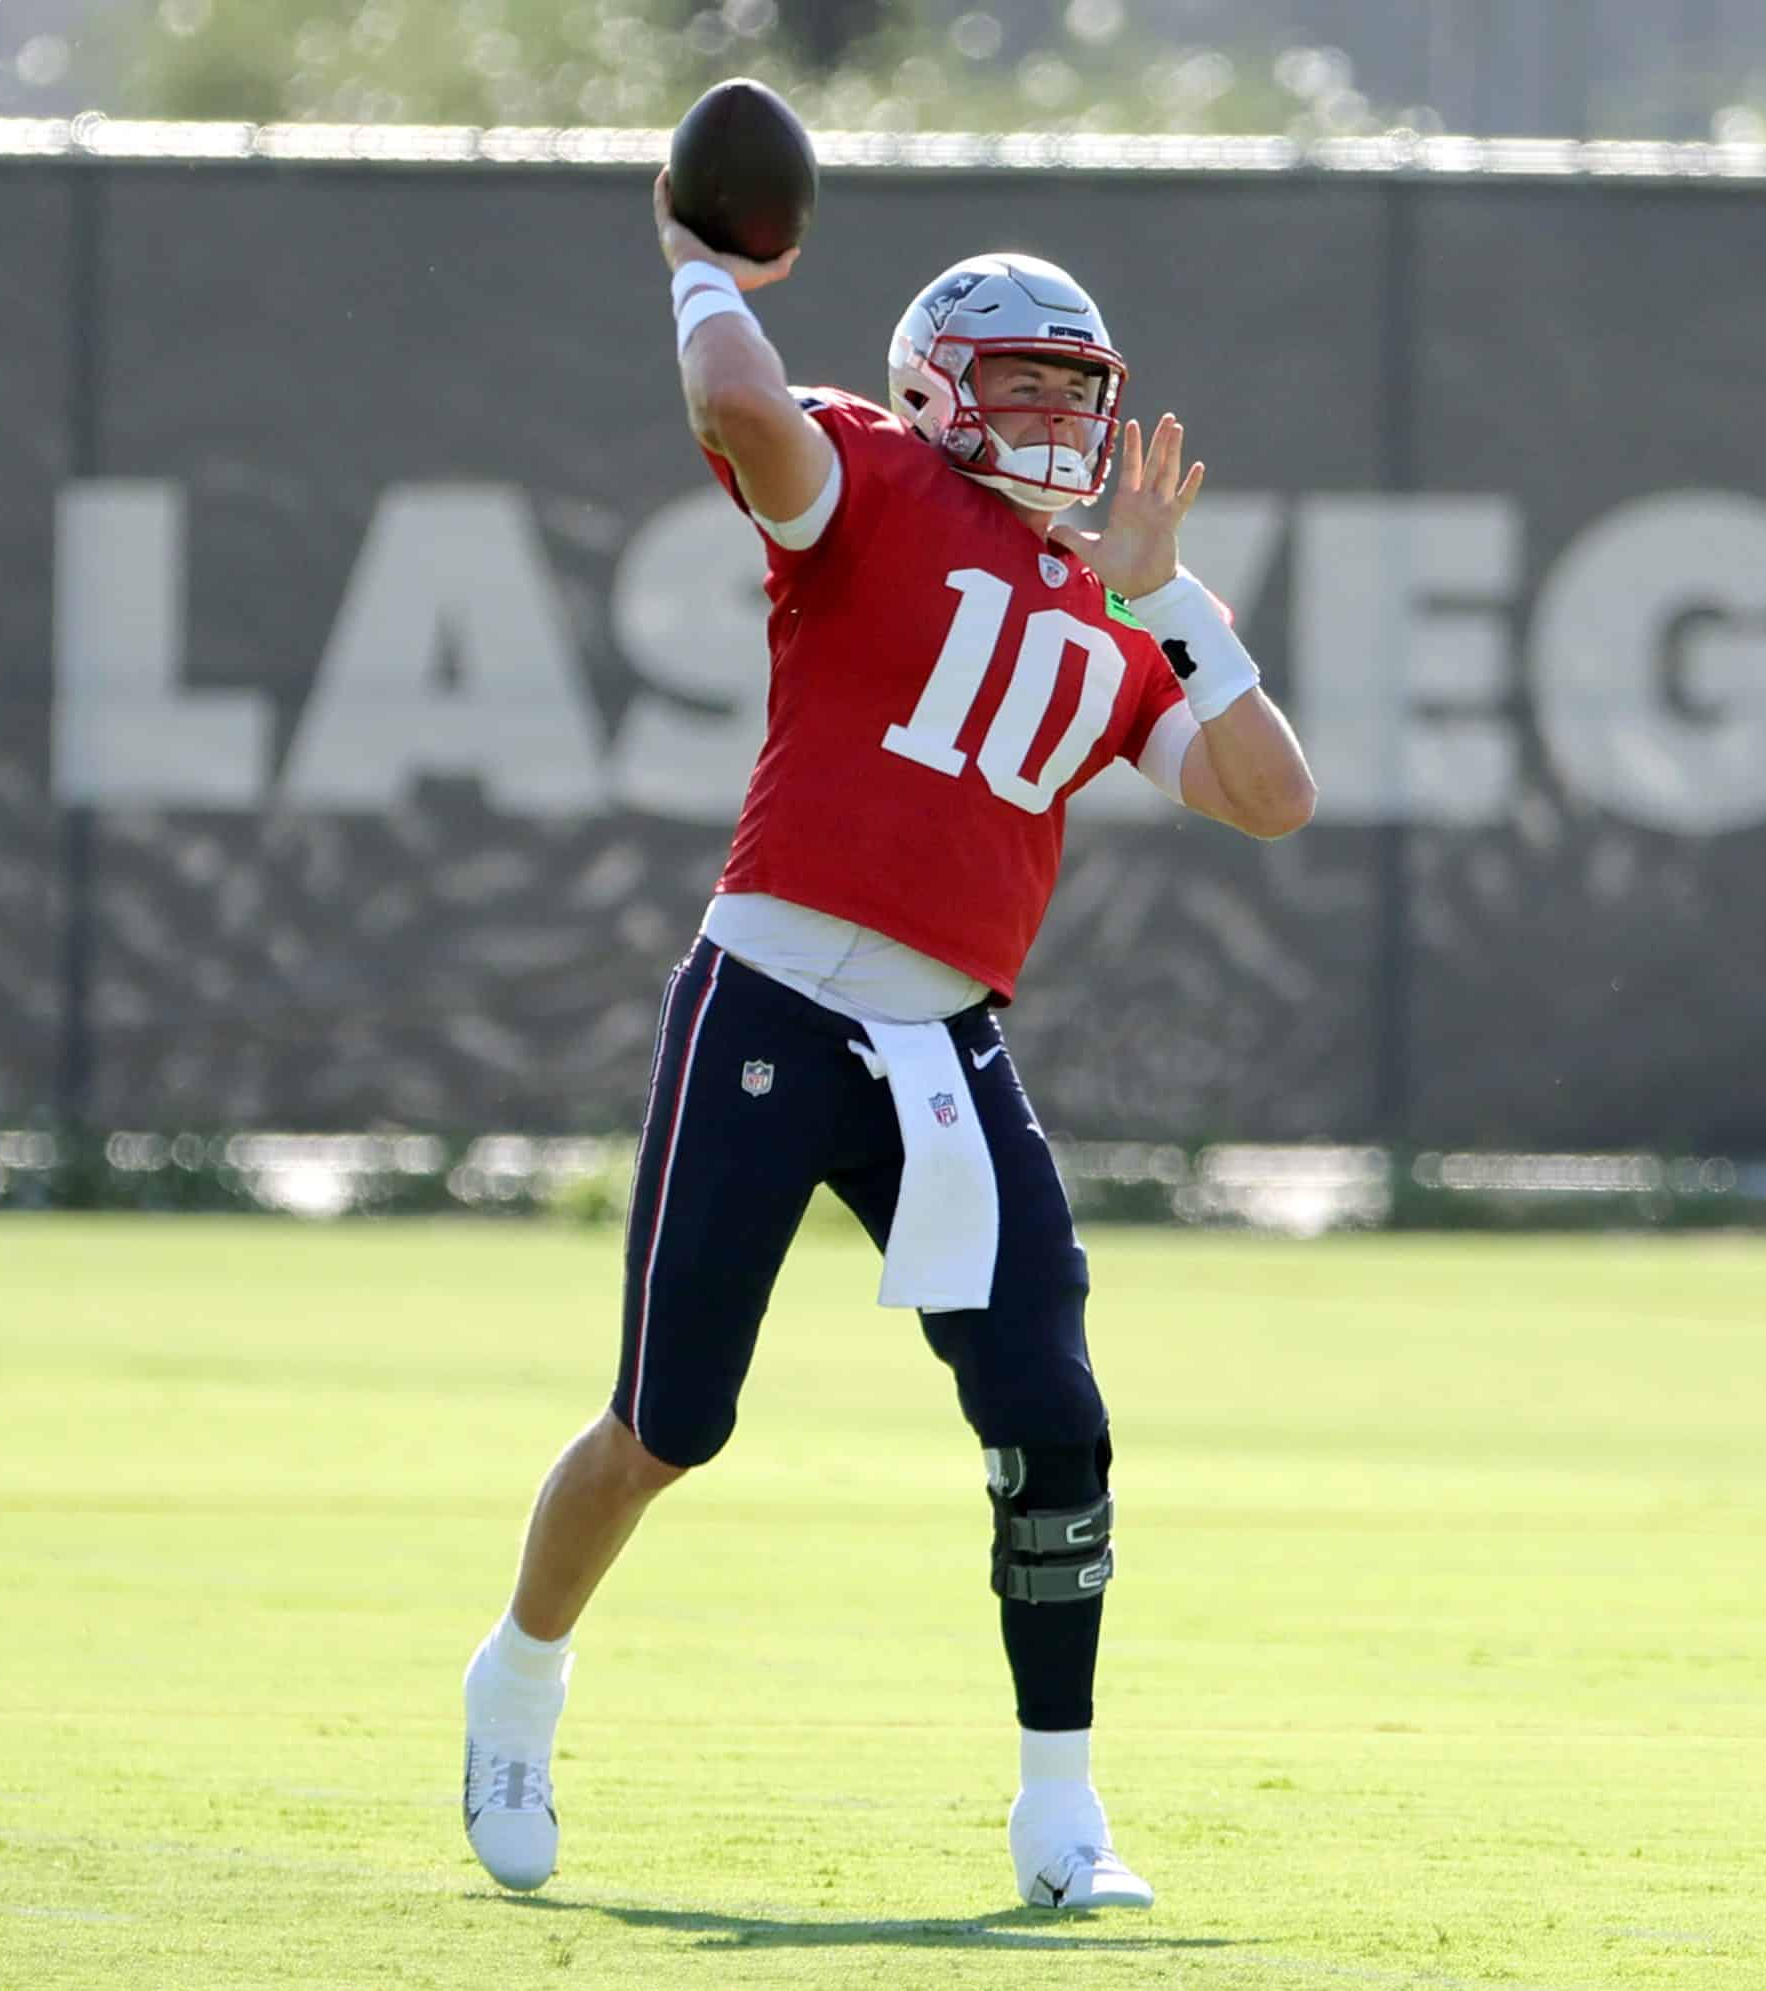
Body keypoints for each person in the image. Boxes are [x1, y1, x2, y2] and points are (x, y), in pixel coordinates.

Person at [458, 171, 1315, 1911]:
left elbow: (1272, 799)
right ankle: (520, 1677)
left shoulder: (1119, 597)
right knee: (665, 1425)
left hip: (946, 1045)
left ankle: (1061, 1814)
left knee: (1052, 1423)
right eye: (1027, 388)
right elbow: (736, 407)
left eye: (1083, 393)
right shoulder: (876, 477)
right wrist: (702, 265)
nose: (1064, 424)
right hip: (773, 997)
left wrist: (1165, 605)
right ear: (938, 386)